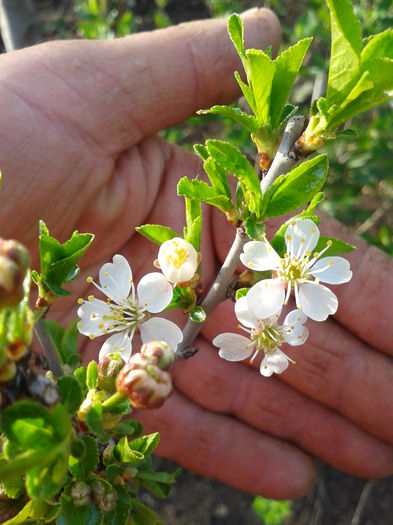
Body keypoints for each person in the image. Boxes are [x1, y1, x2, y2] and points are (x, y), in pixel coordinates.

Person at [0, 7, 392, 500]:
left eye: (294, 266)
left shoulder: (220, 304)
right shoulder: (162, 316)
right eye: (290, 263)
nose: (291, 266)